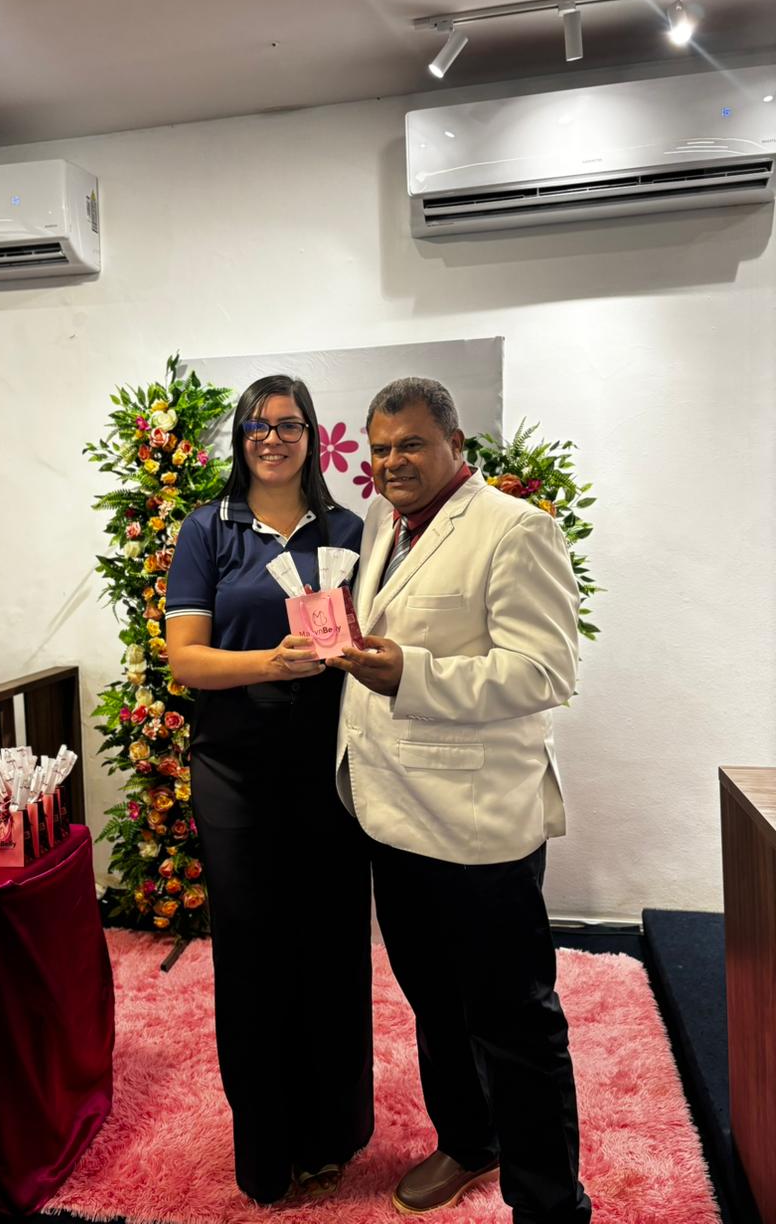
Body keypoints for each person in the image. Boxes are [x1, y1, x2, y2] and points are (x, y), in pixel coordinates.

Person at [327, 377, 591, 1223]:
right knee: (435, 1005)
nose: (391, 462)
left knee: (514, 1024)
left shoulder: (516, 528)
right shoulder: (384, 523)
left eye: (410, 444)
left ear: (455, 444)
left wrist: (412, 673)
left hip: (477, 829)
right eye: (380, 449)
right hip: (391, 812)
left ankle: (550, 1204)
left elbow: (544, 672)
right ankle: (469, 1141)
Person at [166, 374, 374, 1205]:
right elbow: (186, 659)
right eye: (258, 425)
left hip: (329, 768)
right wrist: (270, 663)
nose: (273, 438)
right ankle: (265, 1147)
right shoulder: (207, 530)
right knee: (252, 952)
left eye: (289, 425)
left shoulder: (350, 529)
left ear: (313, 437)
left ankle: (331, 1135)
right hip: (235, 770)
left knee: (331, 944)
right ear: (240, 438)